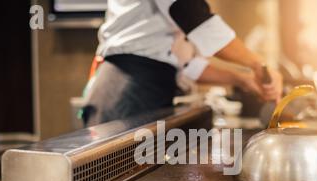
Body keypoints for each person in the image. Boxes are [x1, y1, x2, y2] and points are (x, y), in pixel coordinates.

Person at [82, 0, 283, 126]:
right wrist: (257, 64)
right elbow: (197, 19)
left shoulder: (165, 25)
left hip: (150, 88)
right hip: (125, 90)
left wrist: (242, 79)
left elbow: (185, 65)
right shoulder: (182, 9)